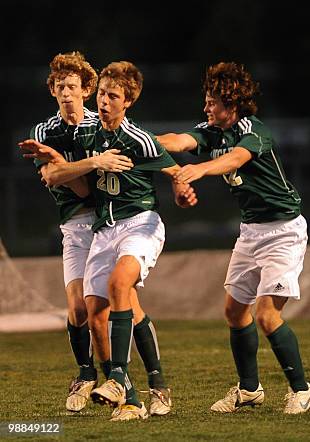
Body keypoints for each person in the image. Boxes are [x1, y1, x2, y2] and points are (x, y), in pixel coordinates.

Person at [157, 61, 310, 414]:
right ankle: (249, 390)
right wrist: (141, 141)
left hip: (283, 230)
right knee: (233, 311)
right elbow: (180, 140)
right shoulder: (211, 130)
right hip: (251, 231)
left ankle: (302, 390)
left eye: (212, 101)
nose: (206, 107)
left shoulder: (253, 130)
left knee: (266, 316)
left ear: (230, 102)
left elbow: (235, 159)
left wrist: (199, 169)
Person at [76, 60, 196, 422]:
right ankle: (142, 394)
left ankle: (114, 378)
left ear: (129, 101)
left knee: (119, 284)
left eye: (113, 96)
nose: (104, 101)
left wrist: (181, 189)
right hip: (104, 229)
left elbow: (174, 170)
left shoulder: (139, 139)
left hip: (140, 223)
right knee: (96, 312)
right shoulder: (88, 134)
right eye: (101, 94)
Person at [22, 51, 132, 414]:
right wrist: (90, 164)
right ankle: (86, 375)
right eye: (59, 86)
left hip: (106, 223)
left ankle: (125, 380)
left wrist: (65, 167)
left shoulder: (96, 123)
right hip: (73, 225)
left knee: (107, 307)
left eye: (72, 86)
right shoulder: (44, 131)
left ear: (86, 89)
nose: (65, 93)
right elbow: (53, 179)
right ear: (52, 91)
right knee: (75, 308)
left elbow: (85, 187)